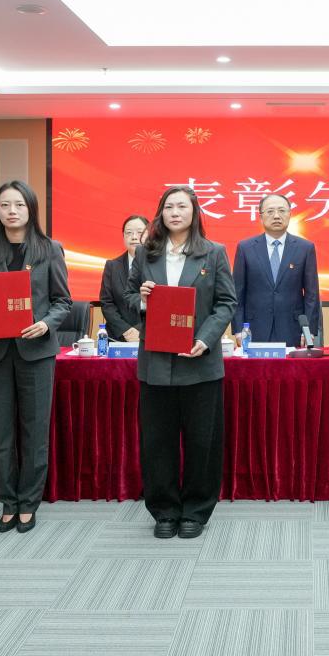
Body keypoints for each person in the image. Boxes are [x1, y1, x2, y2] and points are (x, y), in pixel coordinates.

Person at [125, 185, 236, 539]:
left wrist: (205, 339)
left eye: (182, 207)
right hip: (156, 363)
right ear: (161, 212)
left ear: (194, 212)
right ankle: (164, 511)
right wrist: (142, 301)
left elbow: (226, 303)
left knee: (203, 442)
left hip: (199, 362)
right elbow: (127, 296)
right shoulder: (146, 254)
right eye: (169, 206)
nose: (175, 212)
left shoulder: (214, 253)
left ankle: (196, 511)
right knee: (158, 441)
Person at [0, 181, 71, 534]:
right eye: (5, 205)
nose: (11, 211)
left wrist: (46, 324)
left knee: (34, 431)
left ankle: (29, 502)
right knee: (2, 432)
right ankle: (8, 501)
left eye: (19, 205)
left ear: (31, 209)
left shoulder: (49, 249)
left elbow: (63, 301)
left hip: (36, 351)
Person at [232, 193, 322, 347]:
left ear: (290, 214)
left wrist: (309, 331)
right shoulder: (245, 248)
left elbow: (312, 295)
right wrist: (238, 329)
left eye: (281, 211)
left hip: (293, 329)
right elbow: (237, 293)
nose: (276, 216)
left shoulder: (305, 248)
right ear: (261, 217)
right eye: (270, 211)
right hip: (253, 329)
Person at [100, 214, 149, 342]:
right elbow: (107, 303)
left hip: (149, 336)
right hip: (118, 337)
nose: (134, 237)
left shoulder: (158, 266)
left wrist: (140, 331)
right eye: (129, 233)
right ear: (123, 236)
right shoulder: (112, 266)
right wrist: (126, 331)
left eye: (139, 232)